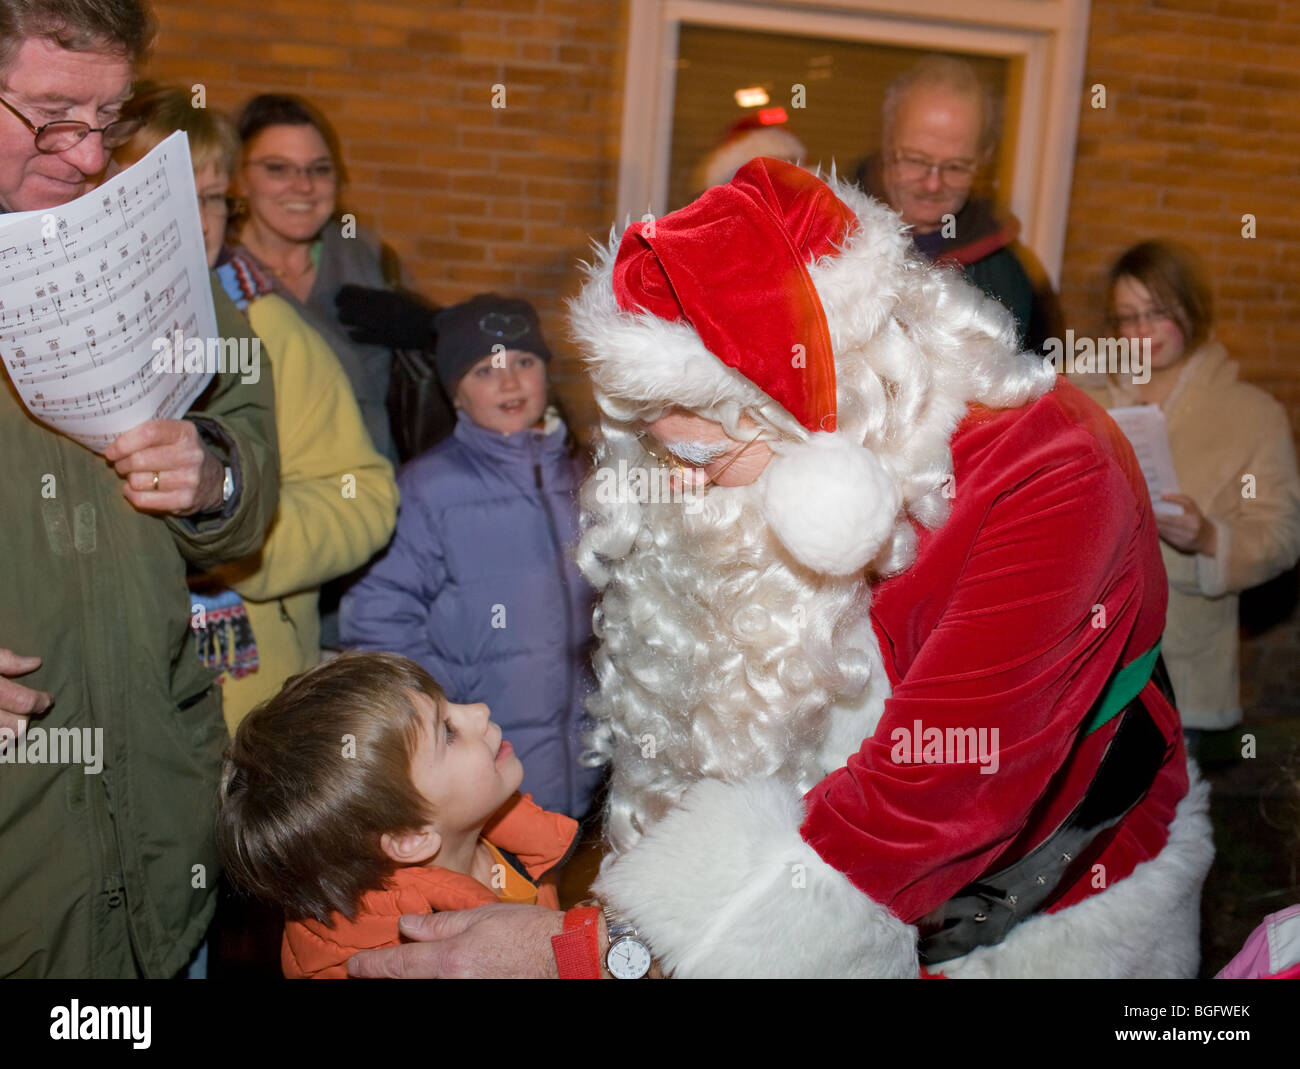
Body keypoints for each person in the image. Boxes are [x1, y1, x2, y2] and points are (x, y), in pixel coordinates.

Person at [349, 158, 1212, 979]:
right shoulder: (752, 469)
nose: (680, 486)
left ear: (803, 408)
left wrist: (582, 953)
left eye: (705, 457)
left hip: (1055, 917)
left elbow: (930, 799)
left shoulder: (1052, 472)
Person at [0, 0, 279, 977]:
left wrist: (215, 471)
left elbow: (243, 421)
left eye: (109, 122)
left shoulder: (138, 238)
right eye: (51, 117)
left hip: (161, 820)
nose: (85, 157)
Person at [111, 86, 401, 729]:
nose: (198, 218)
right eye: (168, 191)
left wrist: (235, 538)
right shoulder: (43, 332)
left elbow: (364, 495)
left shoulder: (269, 328)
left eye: (212, 197)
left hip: (248, 707)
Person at [340, 295, 602, 819]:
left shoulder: (582, 480)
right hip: (485, 764)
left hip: (583, 762)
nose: (510, 382)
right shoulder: (428, 489)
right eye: (486, 369)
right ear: (455, 394)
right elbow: (376, 619)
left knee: (563, 889)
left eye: (524, 362)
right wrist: (447, 706)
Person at [215, 651, 577, 979]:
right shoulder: (406, 963)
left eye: (450, 704)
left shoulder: (516, 844)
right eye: (447, 732)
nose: (480, 711)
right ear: (410, 838)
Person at [1082, 241, 1300, 737]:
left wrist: (1209, 538)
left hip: (1182, 658)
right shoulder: (1083, 391)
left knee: (1173, 809)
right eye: (1127, 317)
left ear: (1192, 306)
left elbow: (1283, 533)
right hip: (1080, 647)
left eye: (1157, 313)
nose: (1141, 332)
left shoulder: (1251, 414)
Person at [230, 93, 398, 466]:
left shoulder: (361, 254)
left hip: (374, 489)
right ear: (239, 178)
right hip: (272, 496)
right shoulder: (219, 273)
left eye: (319, 169)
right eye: (277, 168)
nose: (303, 187)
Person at [856, 54, 1057, 351]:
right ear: (887, 143)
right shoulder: (826, 231)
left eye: (956, 167)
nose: (933, 184)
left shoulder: (1006, 273)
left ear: (983, 159)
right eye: (915, 160)